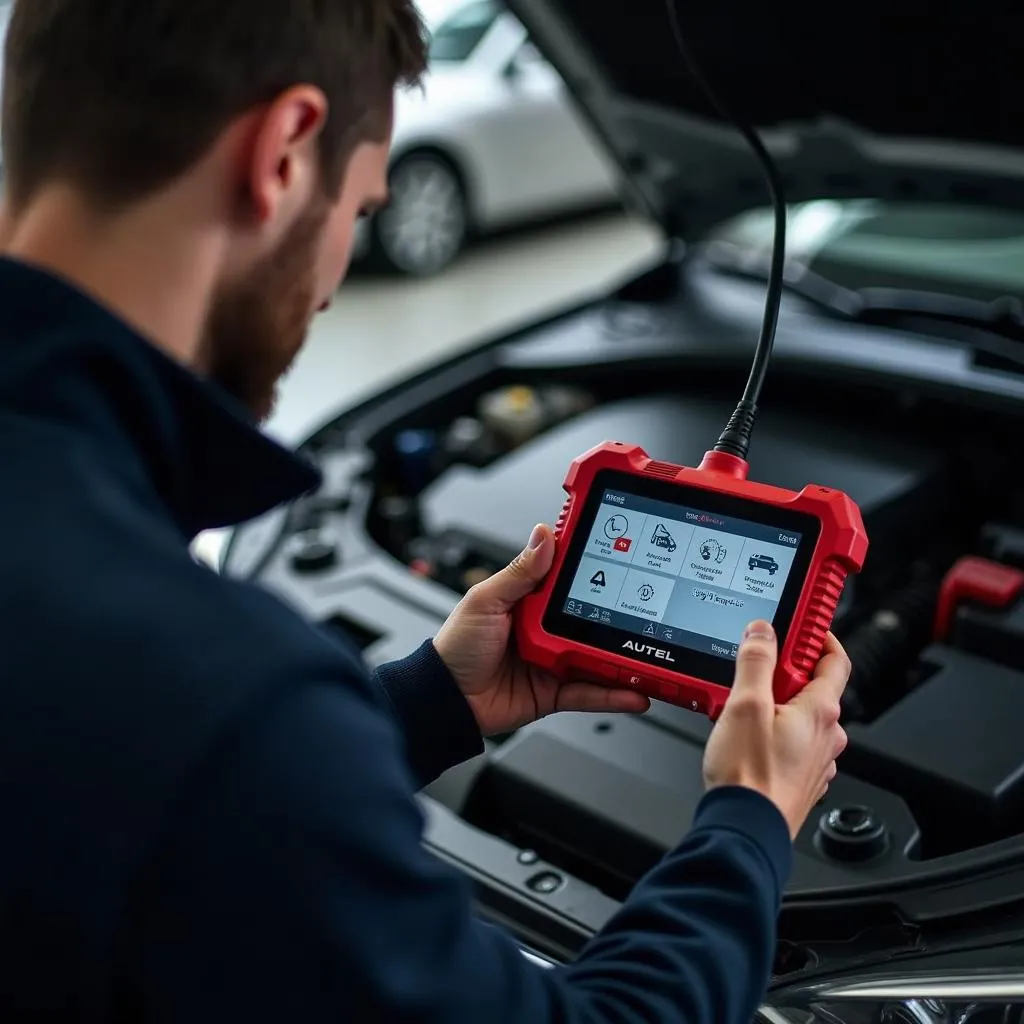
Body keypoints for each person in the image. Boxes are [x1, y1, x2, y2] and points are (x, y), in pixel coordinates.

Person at [0, 0, 850, 1020]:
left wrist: (425, 703)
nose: (328, 286)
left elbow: (125, 779)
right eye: (360, 212)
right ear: (283, 151)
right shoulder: (220, 695)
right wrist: (750, 819)